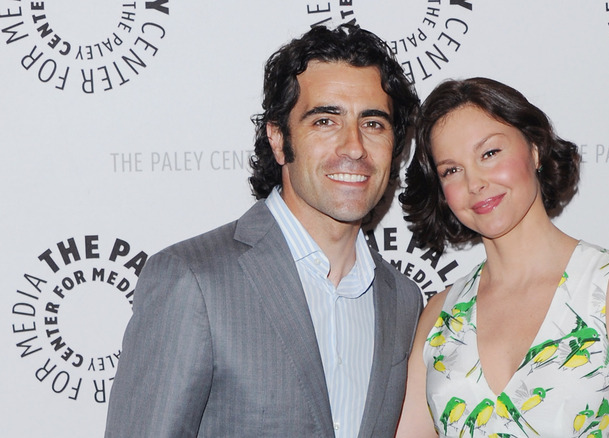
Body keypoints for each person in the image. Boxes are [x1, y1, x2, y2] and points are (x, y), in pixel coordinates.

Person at [104, 24, 422, 437]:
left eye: (374, 124)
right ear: (278, 139)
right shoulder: (193, 280)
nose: (354, 147)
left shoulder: (403, 301)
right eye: (326, 120)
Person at [395, 77, 609, 437]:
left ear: (534, 149)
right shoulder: (439, 318)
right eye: (452, 170)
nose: (475, 183)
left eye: (489, 153)